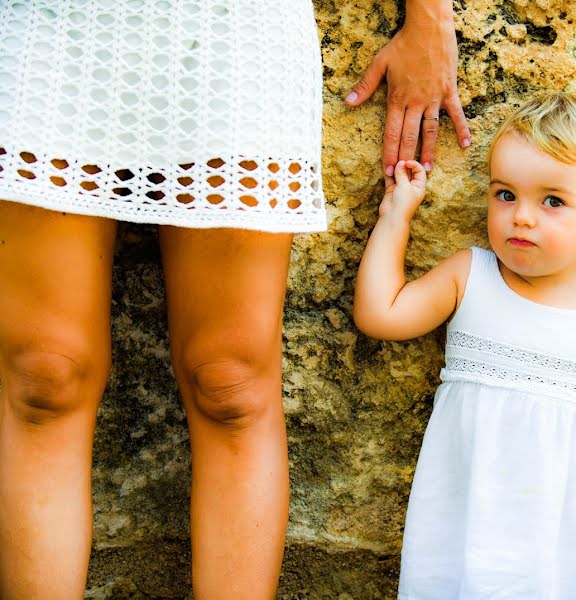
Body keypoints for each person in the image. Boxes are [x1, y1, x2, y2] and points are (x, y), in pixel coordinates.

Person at [0, 0, 468, 597]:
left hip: (235, 37)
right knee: (46, 379)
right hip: (50, 34)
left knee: (231, 385)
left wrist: (430, 17)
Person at [353, 91, 576, 599]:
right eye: (506, 194)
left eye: (553, 201)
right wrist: (397, 215)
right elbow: (381, 313)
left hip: (563, 539)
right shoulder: (471, 277)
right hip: (466, 524)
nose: (522, 216)